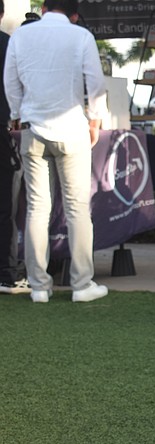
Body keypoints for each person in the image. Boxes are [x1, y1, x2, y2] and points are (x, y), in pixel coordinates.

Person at [3, 0, 108, 303]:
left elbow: (10, 80)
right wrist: (95, 120)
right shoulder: (81, 36)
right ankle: (82, 284)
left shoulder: (22, 36)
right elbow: (96, 84)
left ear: (45, 8)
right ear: (74, 14)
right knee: (77, 209)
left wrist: (16, 112)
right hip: (72, 128)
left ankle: (38, 286)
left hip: (33, 128)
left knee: (37, 207)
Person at [0, 0, 29, 295]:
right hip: (4, 132)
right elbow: (17, 86)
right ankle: (7, 273)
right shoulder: (9, 45)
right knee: (6, 205)